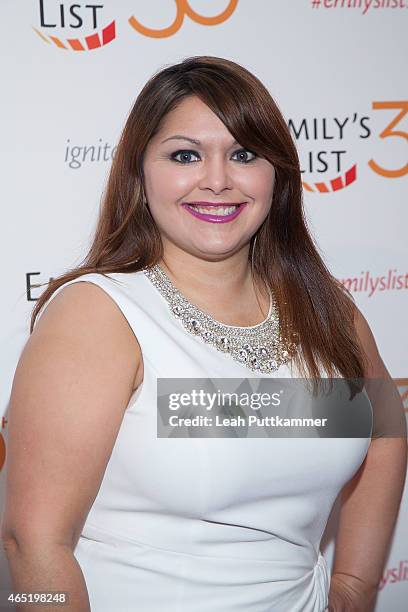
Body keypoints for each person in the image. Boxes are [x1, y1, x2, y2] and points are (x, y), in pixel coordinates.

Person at [1, 56, 406, 612]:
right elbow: (31, 544)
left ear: (276, 175)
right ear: (140, 176)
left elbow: (384, 432)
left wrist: (354, 589)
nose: (217, 179)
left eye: (243, 154)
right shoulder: (101, 313)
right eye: (185, 155)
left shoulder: (325, 311)